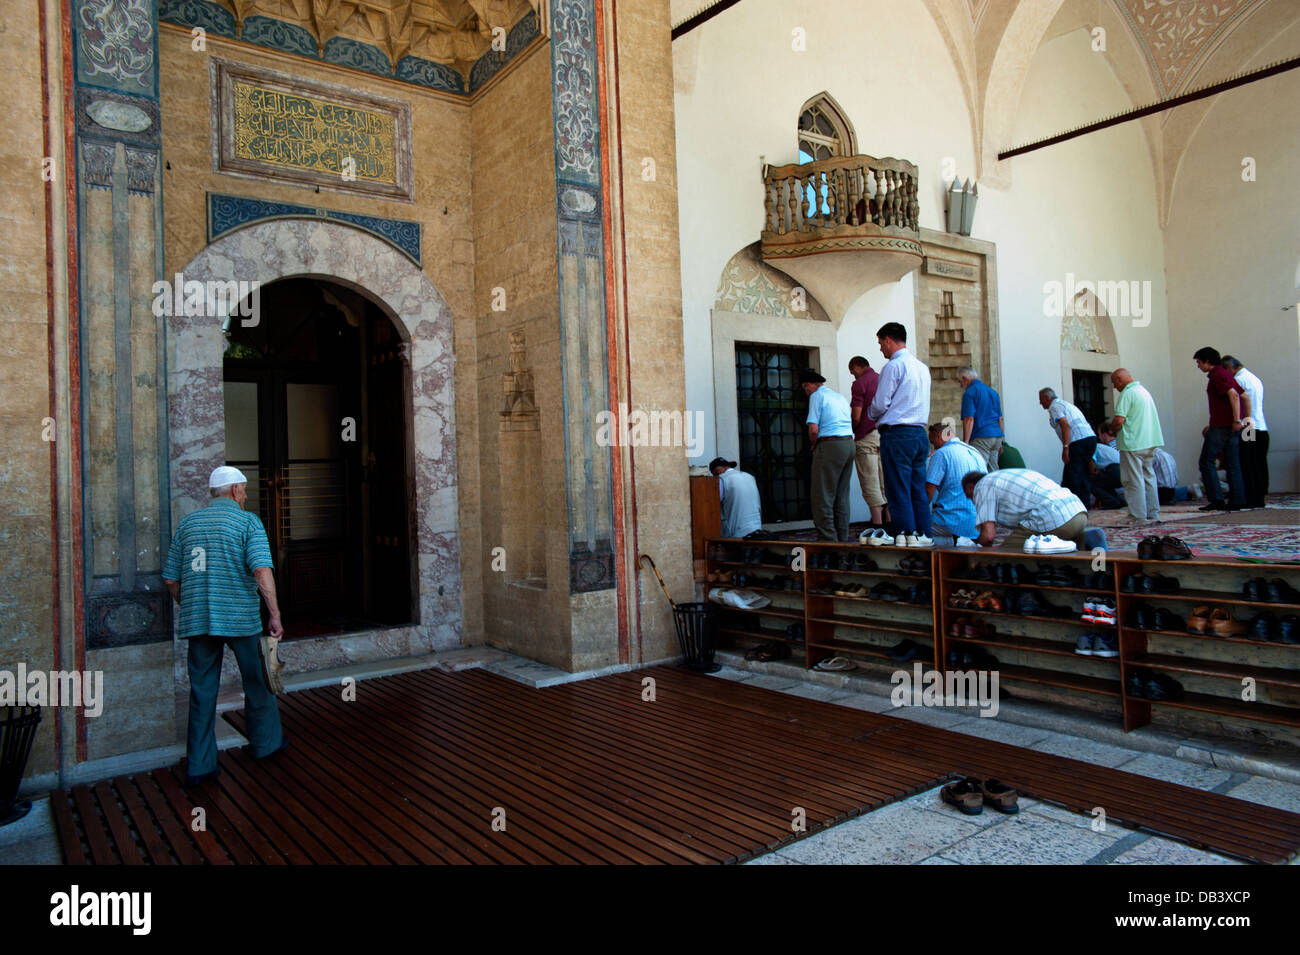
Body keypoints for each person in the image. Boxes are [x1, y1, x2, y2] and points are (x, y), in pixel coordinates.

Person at [163, 466, 287, 787]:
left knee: (202, 692)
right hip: (240, 618)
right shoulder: (248, 522)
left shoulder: (188, 524)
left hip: (199, 620)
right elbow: (261, 572)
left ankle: (200, 766)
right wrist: (274, 614)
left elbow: (171, 579)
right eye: (244, 490)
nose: (245, 495)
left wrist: (190, 604)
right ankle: (265, 745)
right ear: (234, 491)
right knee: (257, 682)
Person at [868, 322, 933, 544]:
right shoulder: (922, 367)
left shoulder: (893, 366)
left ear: (888, 340)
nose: (880, 349)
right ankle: (923, 534)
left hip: (897, 434)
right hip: (919, 434)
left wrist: (870, 412)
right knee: (918, 489)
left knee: (898, 488)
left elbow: (880, 404)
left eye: (880, 343)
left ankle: (905, 535)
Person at [963, 468, 1089, 553]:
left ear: (970, 487)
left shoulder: (982, 486)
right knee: (1063, 551)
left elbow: (988, 536)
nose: (971, 501)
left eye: (968, 496)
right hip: (1078, 513)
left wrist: (976, 550)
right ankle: (1085, 539)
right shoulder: (1003, 475)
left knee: (1005, 555)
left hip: (1053, 517)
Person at [801, 368, 856, 541]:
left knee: (822, 494)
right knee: (842, 495)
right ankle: (843, 537)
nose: (806, 391)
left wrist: (813, 444)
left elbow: (813, 429)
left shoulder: (817, 396)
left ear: (810, 384)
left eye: (805, 387)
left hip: (830, 444)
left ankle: (828, 539)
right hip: (849, 444)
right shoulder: (838, 396)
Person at [1193, 346, 1246, 511]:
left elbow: (1234, 395)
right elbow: (1243, 395)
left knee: (1206, 461)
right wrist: (1243, 419)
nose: (1198, 366)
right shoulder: (1226, 374)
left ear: (1208, 362)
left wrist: (1237, 419)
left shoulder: (1217, 375)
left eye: (1199, 362)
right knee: (1232, 462)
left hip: (1222, 426)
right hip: (1230, 425)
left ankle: (1217, 499)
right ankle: (1238, 500)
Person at [1107, 368, 1164, 523]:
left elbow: (1119, 420)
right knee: (1148, 477)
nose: (1114, 387)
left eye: (1114, 382)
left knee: (1133, 480)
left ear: (1119, 379)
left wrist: (1112, 430)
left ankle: (1138, 515)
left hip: (1133, 442)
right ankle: (1152, 512)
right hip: (1149, 441)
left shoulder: (1127, 393)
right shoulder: (1143, 391)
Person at [925, 422, 986, 545]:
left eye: (933, 443)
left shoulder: (941, 454)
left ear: (938, 436)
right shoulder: (975, 452)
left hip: (951, 522)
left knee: (914, 529)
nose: (934, 448)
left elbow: (928, 493)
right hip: (977, 524)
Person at [848, 356, 889, 537]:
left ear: (857, 366)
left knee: (869, 480)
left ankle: (877, 525)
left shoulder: (860, 383)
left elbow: (856, 415)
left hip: (866, 435)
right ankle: (890, 522)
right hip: (884, 434)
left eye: (852, 372)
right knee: (883, 481)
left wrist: (853, 429)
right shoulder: (882, 379)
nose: (853, 376)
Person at [1222, 356, 1269, 510]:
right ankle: (1259, 497)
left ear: (1229, 368)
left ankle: (1251, 498)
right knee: (1259, 464)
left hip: (1249, 427)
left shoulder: (1239, 381)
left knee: (1248, 464)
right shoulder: (1255, 378)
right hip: (1261, 427)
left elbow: (1243, 400)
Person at [1038, 387, 1097, 507]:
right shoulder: (1065, 404)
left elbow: (1065, 425)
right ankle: (1085, 505)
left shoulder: (1054, 406)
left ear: (1047, 398)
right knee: (1083, 474)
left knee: (1071, 476)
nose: (1040, 403)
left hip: (1078, 441)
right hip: (1090, 438)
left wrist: (1065, 447)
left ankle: (1069, 506)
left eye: (1041, 399)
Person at [958, 366, 1004, 472]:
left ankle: (980, 489)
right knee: (993, 470)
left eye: (960, 382)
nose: (960, 385)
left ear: (965, 379)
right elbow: (1000, 419)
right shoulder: (992, 392)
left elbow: (969, 419)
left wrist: (966, 442)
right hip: (996, 436)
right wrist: (1001, 440)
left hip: (981, 436)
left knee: (979, 469)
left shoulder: (970, 393)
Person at [709, 457, 766, 539]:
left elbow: (713, 505)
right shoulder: (749, 476)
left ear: (717, 471)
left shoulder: (721, 479)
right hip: (756, 529)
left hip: (737, 533)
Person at [1089, 424, 1125, 509]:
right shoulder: (1118, 444)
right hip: (1124, 472)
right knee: (1104, 482)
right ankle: (1120, 501)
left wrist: (1091, 472)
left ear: (1104, 434)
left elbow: (1091, 462)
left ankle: (1112, 502)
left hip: (1116, 470)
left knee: (1091, 482)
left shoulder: (1094, 446)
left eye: (1099, 434)